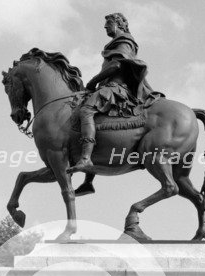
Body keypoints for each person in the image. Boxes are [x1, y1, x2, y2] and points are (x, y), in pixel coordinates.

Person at [68, 12, 163, 175]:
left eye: (109, 23)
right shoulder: (116, 43)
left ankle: (85, 158)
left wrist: (92, 81)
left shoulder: (124, 41)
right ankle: (88, 179)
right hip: (108, 87)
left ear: (119, 24)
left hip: (117, 89)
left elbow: (116, 66)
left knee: (86, 111)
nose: (105, 27)